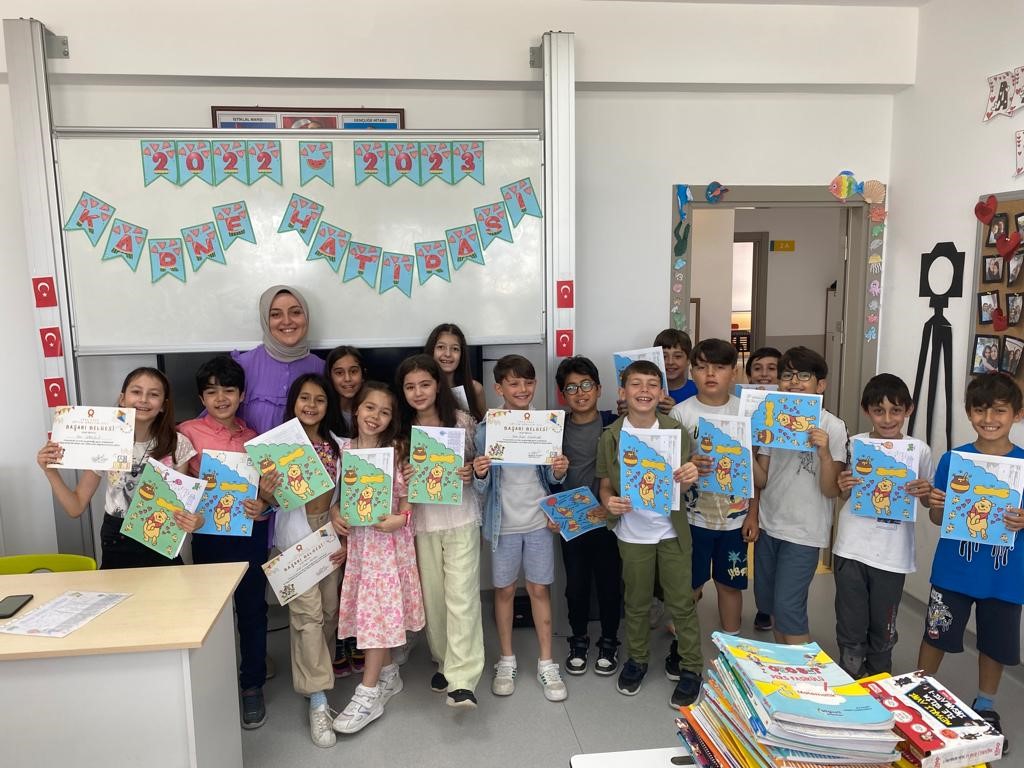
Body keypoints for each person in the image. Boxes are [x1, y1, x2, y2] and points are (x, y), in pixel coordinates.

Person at [919, 372, 1024, 752]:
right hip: (954, 572)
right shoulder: (954, 460)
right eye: (980, 410)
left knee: (994, 644)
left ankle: (985, 705)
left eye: (999, 410)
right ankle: (919, 689)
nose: (989, 419)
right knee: (936, 633)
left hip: (1005, 577)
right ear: (968, 412)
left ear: (1017, 414)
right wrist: (934, 504)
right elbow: (937, 517)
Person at [597, 360, 703, 708]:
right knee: (637, 602)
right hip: (632, 533)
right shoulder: (611, 436)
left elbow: (684, 482)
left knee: (681, 602)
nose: (644, 391)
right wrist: (609, 502)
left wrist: (690, 476)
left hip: (671, 531)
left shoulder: (676, 431)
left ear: (661, 393)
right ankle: (638, 659)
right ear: (622, 392)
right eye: (636, 384)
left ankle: (691, 667)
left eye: (652, 384)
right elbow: (605, 484)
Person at [177, 355, 272, 729]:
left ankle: (252, 685)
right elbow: (175, 483)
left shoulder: (254, 438)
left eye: (229, 391)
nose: (221, 399)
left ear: (242, 395)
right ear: (202, 397)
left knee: (253, 611)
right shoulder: (186, 432)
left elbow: (266, 495)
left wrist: (263, 504)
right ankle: (212, 683)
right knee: (211, 613)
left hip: (250, 534)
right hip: (209, 535)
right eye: (212, 392)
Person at [472, 354, 570, 702]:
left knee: (540, 589)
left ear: (535, 384)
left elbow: (552, 479)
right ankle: (506, 659)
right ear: (499, 388)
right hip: (503, 525)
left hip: (538, 521)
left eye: (528, 382)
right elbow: (481, 486)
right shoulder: (486, 429)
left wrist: (559, 470)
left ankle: (546, 662)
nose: (522, 389)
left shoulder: (545, 425)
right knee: (504, 591)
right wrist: (480, 473)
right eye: (513, 383)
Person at [36, 367, 198, 569]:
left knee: (170, 589)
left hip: (160, 533)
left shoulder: (178, 444)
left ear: (164, 405)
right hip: (117, 537)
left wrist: (193, 520)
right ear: (122, 399)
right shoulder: (105, 441)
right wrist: (50, 471)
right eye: (136, 392)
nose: (144, 399)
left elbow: (182, 504)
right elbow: (75, 507)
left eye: (153, 394)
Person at [333, 382, 426, 733]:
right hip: (360, 545)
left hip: (388, 546)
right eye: (370, 407)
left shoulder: (396, 451)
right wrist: (334, 514)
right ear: (356, 409)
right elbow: (336, 498)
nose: (376, 416)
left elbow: (407, 498)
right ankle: (388, 674)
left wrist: (401, 518)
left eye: (385, 412)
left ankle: (367, 694)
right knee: (371, 611)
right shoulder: (343, 450)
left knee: (377, 613)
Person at [397, 354, 485, 708]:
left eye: (425, 384)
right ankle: (445, 661)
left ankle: (463, 679)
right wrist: (404, 473)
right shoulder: (400, 430)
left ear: (438, 386)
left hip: (461, 517)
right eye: (410, 387)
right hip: (422, 523)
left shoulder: (462, 421)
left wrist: (470, 470)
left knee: (462, 596)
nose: (418, 392)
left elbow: (481, 466)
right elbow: (392, 481)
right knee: (433, 598)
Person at [832, 374, 932, 678]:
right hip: (851, 547)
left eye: (896, 410)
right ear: (867, 411)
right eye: (879, 411)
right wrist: (843, 484)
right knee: (850, 620)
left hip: (892, 554)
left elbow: (927, 502)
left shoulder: (919, 450)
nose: (887, 419)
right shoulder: (855, 444)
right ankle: (850, 673)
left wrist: (926, 492)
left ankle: (879, 676)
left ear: (908, 410)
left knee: (884, 623)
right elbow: (843, 494)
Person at [269, 374, 346, 748]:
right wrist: (266, 491)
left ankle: (317, 676)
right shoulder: (277, 447)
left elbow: (349, 495)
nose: (311, 405)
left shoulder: (340, 446)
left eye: (319, 399)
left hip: (329, 539)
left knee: (329, 612)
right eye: (304, 398)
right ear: (293, 402)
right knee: (307, 618)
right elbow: (267, 503)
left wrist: (342, 526)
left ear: (329, 405)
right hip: (293, 541)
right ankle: (318, 699)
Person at [751, 346, 846, 644]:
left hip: (804, 532)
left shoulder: (833, 426)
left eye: (803, 375)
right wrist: (742, 447)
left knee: (789, 609)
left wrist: (824, 453)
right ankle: (784, 664)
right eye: (787, 375)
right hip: (769, 525)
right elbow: (762, 478)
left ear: (821, 385)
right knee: (770, 605)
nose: (794, 382)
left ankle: (803, 672)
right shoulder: (773, 419)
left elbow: (831, 490)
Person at [671, 339, 757, 635]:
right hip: (692, 519)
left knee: (730, 584)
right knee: (690, 583)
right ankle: (682, 645)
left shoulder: (746, 413)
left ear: (733, 372)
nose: (710, 374)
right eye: (702, 367)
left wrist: (752, 515)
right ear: (692, 371)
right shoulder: (681, 413)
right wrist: (689, 463)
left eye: (719, 367)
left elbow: (756, 472)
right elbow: (669, 468)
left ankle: (732, 643)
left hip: (734, 521)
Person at [554, 356, 621, 677]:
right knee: (576, 585)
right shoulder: (555, 429)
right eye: (571, 388)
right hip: (572, 521)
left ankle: (609, 641)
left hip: (609, 520)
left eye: (586, 385)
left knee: (610, 584)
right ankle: (578, 639)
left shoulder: (614, 424)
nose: (580, 393)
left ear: (599, 388)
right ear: (562, 395)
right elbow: (546, 476)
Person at [233, 286, 324, 435]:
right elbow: (217, 421)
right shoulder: (243, 365)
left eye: (296, 312)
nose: (287, 321)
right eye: (275, 314)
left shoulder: (322, 369)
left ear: (306, 316)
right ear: (265, 320)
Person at [744, 346, 781, 631]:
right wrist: (752, 513)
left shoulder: (800, 414)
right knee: (764, 561)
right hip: (758, 498)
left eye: (772, 368)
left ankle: (781, 612)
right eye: (757, 368)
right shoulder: (742, 409)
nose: (764, 374)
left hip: (790, 501)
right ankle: (765, 608)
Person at [426, 323, 486, 421]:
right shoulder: (421, 389)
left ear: (462, 355)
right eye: (441, 347)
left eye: (455, 349)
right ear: (431, 350)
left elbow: (483, 426)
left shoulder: (475, 389)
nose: (448, 354)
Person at [325, 345, 365, 435]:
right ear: (330, 377)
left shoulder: (372, 410)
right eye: (339, 373)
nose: (347, 378)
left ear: (363, 374)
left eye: (353, 371)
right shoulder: (323, 411)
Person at [655, 328, 696, 407]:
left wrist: (675, 410)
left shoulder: (699, 391)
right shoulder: (647, 391)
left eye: (677, 356)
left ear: (688, 360)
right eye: (664, 356)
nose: (670, 362)